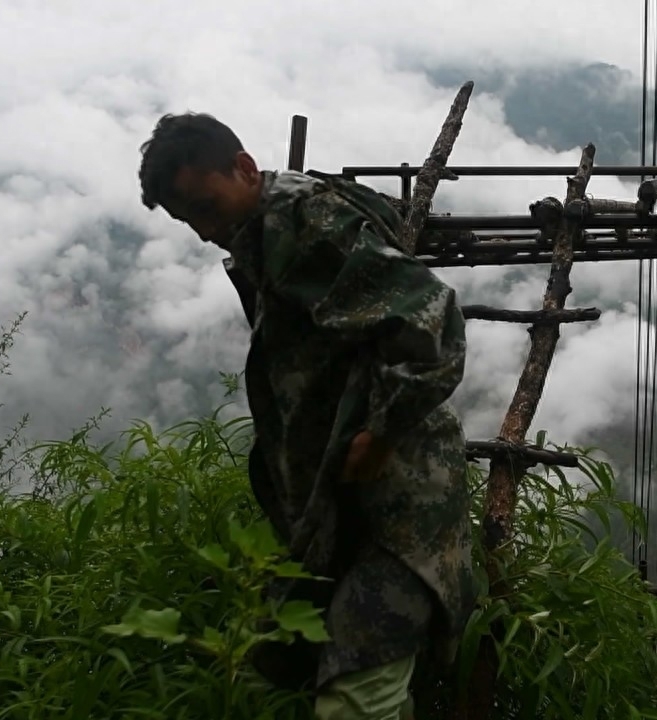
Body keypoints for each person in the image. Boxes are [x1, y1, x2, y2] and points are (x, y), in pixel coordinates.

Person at [137, 112, 475, 720]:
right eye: (190, 220)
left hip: (400, 504)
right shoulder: (264, 233)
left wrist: (380, 435)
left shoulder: (312, 223)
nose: (207, 230)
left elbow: (432, 316)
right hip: (337, 506)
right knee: (290, 666)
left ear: (243, 168)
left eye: (207, 207)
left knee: (355, 697)